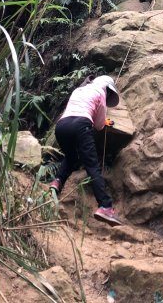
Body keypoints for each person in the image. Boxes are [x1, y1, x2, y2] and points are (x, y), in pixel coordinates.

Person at [49, 75, 122, 226]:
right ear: (107, 89)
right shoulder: (101, 93)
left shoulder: (79, 90)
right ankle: (105, 207)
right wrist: (105, 121)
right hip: (81, 125)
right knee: (92, 166)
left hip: (62, 126)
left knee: (71, 157)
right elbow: (99, 126)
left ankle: (57, 182)